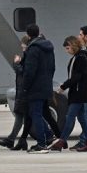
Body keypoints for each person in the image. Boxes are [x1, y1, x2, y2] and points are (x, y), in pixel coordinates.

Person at [49, 36, 87, 152]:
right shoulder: (79, 57)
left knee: (69, 117)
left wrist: (63, 86)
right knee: (81, 119)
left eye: (68, 48)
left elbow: (76, 77)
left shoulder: (80, 58)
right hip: (79, 93)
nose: (67, 51)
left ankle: (61, 141)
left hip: (79, 93)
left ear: (73, 46)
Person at [21, 24, 56, 154]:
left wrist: (25, 87)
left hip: (35, 87)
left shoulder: (33, 49)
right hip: (46, 84)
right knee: (37, 113)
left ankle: (42, 144)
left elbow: (29, 71)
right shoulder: (48, 48)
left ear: (28, 35)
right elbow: (53, 67)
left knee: (35, 113)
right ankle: (49, 135)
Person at [0, 35, 30, 150]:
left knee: (30, 116)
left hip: (24, 90)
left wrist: (16, 63)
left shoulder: (29, 56)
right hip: (23, 90)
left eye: (23, 44)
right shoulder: (29, 55)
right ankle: (14, 139)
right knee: (21, 115)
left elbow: (23, 72)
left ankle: (49, 136)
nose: (21, 46)